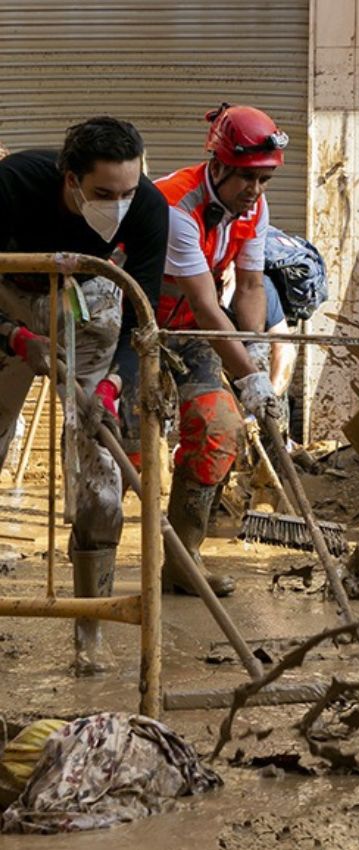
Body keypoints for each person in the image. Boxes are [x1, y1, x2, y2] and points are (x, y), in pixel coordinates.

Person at [0, 117, 169, 674]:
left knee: (102, 485)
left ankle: (90, 630)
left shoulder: (148, 208)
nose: (119, 205)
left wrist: (115, 384)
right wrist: (17, 337)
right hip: (6, 304)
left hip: (89, 308)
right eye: (103, 194)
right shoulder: (13, 184)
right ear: (70, 180)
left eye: (127, 191)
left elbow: (143, 319)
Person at [121, 103, 287, 598]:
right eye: (247, 179)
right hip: (135, 328)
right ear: (218, 166)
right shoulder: (175, 204)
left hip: (191, 332)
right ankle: (98, 580)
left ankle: (183, 562)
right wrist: (250, 378)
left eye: (264, 180)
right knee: (124, 457)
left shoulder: (253, 207)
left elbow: (252, 286)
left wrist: (253, 353)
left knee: (219, 429)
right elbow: (207, 303)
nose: (255, 192)